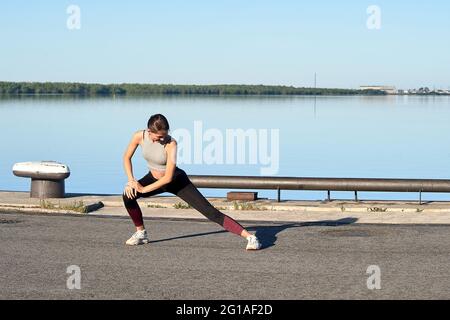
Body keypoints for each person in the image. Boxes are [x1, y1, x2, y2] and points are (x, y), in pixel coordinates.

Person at [122, 114, 261, 250]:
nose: (162, 138)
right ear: (149, 132)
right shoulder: (139, 136)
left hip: (176, 181)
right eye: (159, 136)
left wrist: (143, 189)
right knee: (128, 195)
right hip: (153, 178)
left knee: (210, 212)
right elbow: (126, 157)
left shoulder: (171, 144)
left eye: (165, 135)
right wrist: (131, 181)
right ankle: (141, 233)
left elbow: (168, 178)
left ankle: (250, 238)